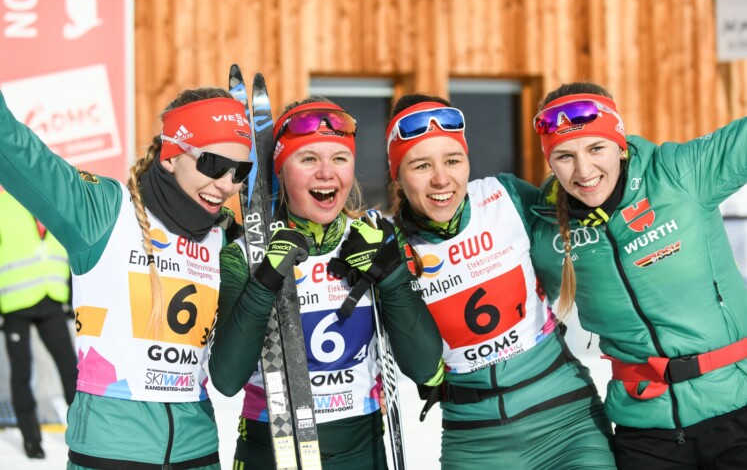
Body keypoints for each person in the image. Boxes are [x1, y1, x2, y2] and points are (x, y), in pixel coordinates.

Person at [0, 86, 255, 468]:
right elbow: (15, 150)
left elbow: (232, 369)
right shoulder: (103, 212)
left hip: (198, 454)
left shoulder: (223, 240)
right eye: (214, 164)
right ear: (171, 155)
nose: (227, 185)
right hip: (110, 454)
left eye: (240, 171)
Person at [209, 97, 444, 469]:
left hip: (362, 454)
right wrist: (265, 281)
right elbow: (226, 379)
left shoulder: (376, 237)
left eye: (339, 158)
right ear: (281, 169)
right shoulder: (245, 254)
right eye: (308, 159)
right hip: (270, 453)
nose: (326, 173)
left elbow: (426, 365)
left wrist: (391, 276)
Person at [385, 94, 615, 469]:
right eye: (421, 165)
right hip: (475, 440)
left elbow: (581, 216)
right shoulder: (390, 246)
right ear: (397, 174)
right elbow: (421, 369)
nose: (441, 179)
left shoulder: (505, 195)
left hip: (566, 419)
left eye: (453, 160)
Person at [529, 81, 747, 468]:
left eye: (596, 148)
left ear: (620, 144)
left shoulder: (679, 174)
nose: (584, 170)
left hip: (737, 407)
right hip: (645, 430)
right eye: (564, 156)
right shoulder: (547, 234)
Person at [0, 192, 78, 459]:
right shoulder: (4, 206)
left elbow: (69, 250)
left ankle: (83, 432)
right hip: (14, 302)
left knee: (70, 369)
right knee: (21, 372)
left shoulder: (55, 202)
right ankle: (31, 440)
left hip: (52, 299)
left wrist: (70, 297)